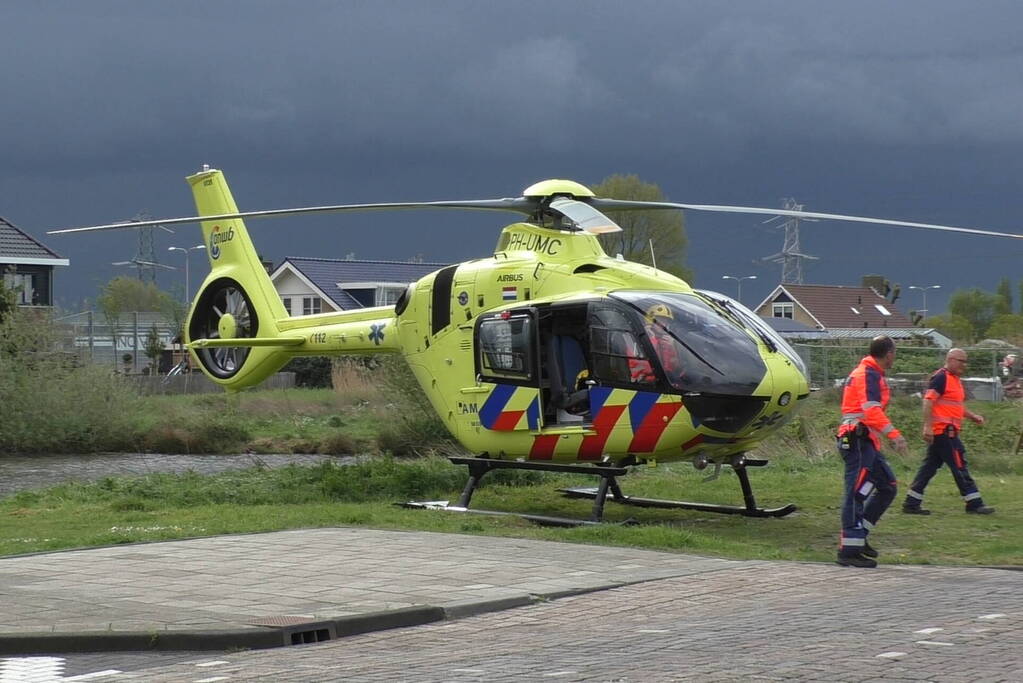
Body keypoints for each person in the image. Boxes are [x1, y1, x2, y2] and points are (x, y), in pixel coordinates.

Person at [835, 335, 908, 568]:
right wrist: (895, 436)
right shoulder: (867, 373)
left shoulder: (869, 372)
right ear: (888, 354)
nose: (894, 357)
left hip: (865, 439)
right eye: (894, 353)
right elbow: (871, 411)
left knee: (887, 486)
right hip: (858, 439)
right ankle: (849, 549)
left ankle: (860, 536)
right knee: (857, 491)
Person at [902, 349, 995, 515]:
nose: (964, 365)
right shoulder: (941, 377)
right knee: (959, 465)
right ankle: (974, 502)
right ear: (950, 360)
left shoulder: (955, 380)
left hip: (946, 431)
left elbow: (955, 406)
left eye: (965, 362)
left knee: (928, 468)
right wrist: (928, 426)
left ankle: (911, 502)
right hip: (944, 431)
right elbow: (928, 401)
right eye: (961, 361)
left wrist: (972, 416)